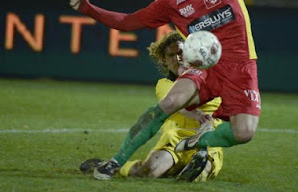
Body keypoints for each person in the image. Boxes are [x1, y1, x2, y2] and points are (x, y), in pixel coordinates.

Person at [69, 0, 276, 180]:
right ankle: (115, 162)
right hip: (205, 67)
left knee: (244, 134)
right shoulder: (171, 3)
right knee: (169, 102)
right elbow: (127, 22)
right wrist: (89, 8)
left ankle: (193, 143)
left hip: (241, 67)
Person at [80, 31, 224, 182]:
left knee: (202, 171)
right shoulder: (164, 85)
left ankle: (192, 167)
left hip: (208, 139)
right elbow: (176, 104)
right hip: (175, 139)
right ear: (164, 61)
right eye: (171, 55)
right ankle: (113, 166)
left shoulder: (211, 80)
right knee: (148, 170)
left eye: (181, 52)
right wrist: (197, 115)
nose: (177, 58)